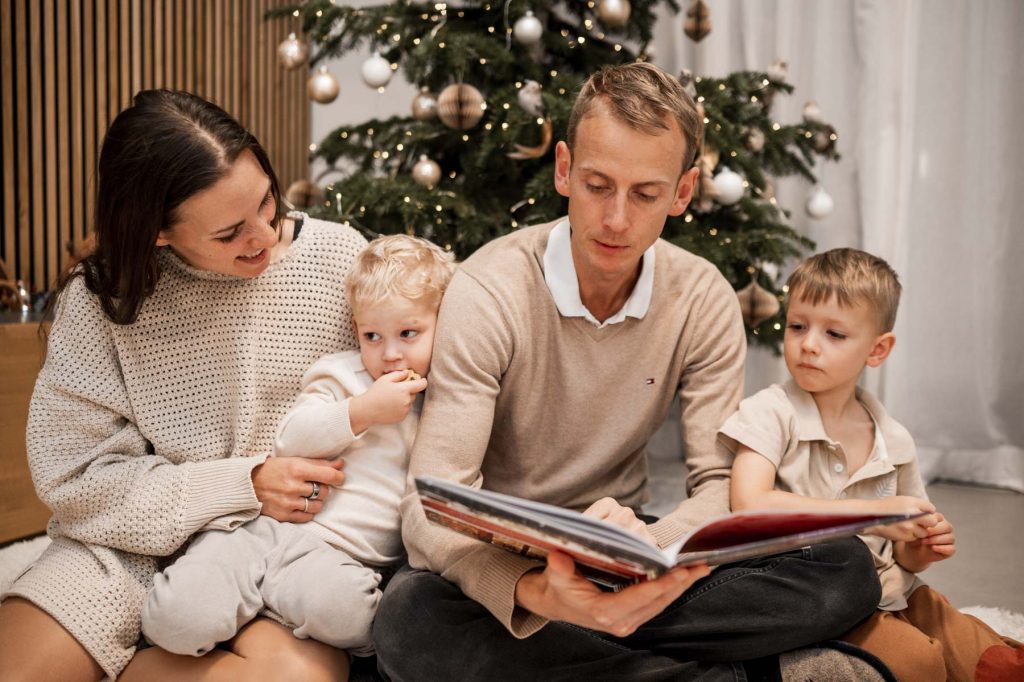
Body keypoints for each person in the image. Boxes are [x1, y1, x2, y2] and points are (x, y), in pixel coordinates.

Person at [372, 62, 888, 681]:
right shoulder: (489, 290)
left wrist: (653, 551)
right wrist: (536, 592)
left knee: (843, 567)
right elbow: (429, 505)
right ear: (563, 169)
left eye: (645, 194)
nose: (616, 219)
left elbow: (722, 484)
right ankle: (741, 675)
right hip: (515, 559)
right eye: (597, 185)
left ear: (683, 192)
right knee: (408, 622)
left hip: (634, 545)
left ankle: (590, 648)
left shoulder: (703, 297)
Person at [0, 89, 368, 681]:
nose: (264, 234)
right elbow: (77, 480)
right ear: (157, 234)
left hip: (278, 550)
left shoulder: (340, 259)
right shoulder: (102, 300)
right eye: (230, 233)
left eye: (267, 202)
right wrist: (243, 482)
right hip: (119, 551)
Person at [141, 234, 455, 660]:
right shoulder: (343, 376)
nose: (391, 354)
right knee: (175, 619)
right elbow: (292, 438)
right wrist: (362, 410)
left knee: (357, 623)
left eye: (408, 333)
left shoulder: (449, 399)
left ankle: (267, 609)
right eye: (373, 336)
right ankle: (224, 597)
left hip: (336, 560)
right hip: (263, 531)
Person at [724, 247, 1024, 682]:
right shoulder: (770, 412)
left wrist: (919, 546)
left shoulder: (894, 438)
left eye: (834, 334)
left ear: (877, 349)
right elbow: (748, 505)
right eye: (797, 326)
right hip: (813, 593)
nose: (808, 344)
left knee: (977, 646)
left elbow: (904, 553)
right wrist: (875, 515)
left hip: (890, 588)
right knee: (919, 662)